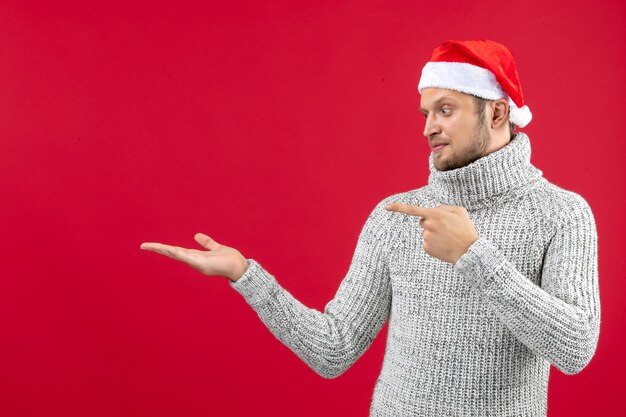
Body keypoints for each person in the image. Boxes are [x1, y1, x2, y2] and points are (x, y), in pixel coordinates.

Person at [140, 39, 600, 416]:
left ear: (497, 114)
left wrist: (473, 255)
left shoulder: (561, 214)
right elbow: (333, 349)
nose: (428, 129)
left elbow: (576, 349)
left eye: (445, 110)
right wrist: (247, 276)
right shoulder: (395, 217)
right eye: (426, 114)